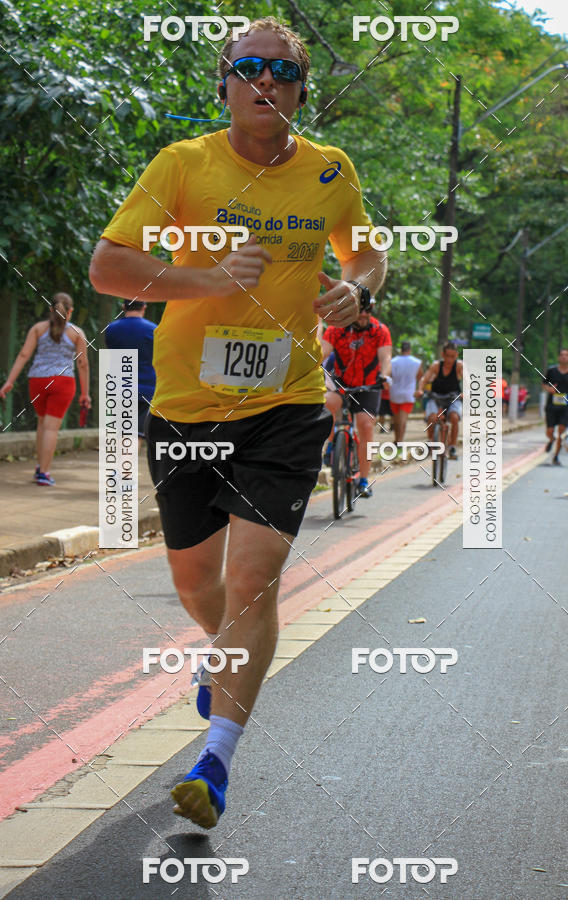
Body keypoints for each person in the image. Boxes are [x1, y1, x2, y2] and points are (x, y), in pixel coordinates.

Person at [89, 16, 386, 829]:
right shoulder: (183, 165)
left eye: (283, 71)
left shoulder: (330, 170)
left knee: (255, 582)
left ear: (301, 92)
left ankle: (215, 762)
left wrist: (358, 287)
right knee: (198, 583)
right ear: (223, 84)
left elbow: (366, 251)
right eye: (249, 67)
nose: (266, 81)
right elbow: (109, 266)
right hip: (187, 407)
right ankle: (221, 652)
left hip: (288, 403)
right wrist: (210, 279)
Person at [0, 293, 90, 485]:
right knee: (51, 428)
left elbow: (24, 355)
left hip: (37, 380)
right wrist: (85, 393)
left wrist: (9, 381)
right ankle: (44, 473)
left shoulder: (38, 329)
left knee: (42, 423)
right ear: (71, 311)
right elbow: (82, 364)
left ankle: (40, 467)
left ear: (51, 309)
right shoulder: (77, 333)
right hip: (63, 382)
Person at [320, 305, 392, 497]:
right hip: (340, 382)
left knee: (365, 425)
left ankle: (364, 480)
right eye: (360, 309)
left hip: (368, 384)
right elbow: (323, 352)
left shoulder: (380, 330)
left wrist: (385, 376)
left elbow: (385, 357)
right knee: (327, 404)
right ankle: (331, 443)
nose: (364, 314)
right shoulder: (336, 329)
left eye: (368, 309)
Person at [104, 300, 157, 450]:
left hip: (119, 388)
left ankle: (120, 463)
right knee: (135, 434)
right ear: (144, 307)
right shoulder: (153, 330)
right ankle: (125, 465)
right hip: (145, 389)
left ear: (123, 307)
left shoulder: (111, 329)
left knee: (121, 431)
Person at [416, 342, 463, 459]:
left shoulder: (459, 366)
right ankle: (430, 441)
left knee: (454, 417)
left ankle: (452, 447)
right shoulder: (436, 366)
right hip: (436, 397)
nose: (449, 360)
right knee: (432, 418)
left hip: (453, 398)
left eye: (452, 357)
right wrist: (420, 390)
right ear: (443, 355)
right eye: (447, 356)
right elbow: (424, 379)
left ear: (456, 356)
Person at [543, 348, 568, 464]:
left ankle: (556, 456)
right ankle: (551, 439)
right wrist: (549, 389)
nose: (564, 357)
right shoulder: (551, 371)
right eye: (562, 355)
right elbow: (544, 384)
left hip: (565, 407)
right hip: (551, 406)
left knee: (562, 432)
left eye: (566, 355)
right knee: (549, 430)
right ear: (559, 357)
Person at [389, 341, 422, 444]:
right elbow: (420, 376)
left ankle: (396, 439)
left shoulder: (392, 361)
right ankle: (400, 440)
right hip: (409, 393)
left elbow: (389, 376)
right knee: (403, 420)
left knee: (396, 420)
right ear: (410, 350)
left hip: (394, 393)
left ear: (401, 350)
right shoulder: (417, 362)